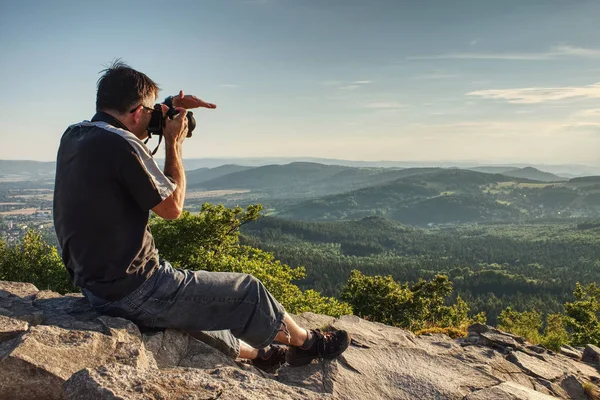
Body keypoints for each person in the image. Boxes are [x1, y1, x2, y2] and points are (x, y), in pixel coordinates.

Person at [52, 60, 350, 372]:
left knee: (199, 305)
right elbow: (172, 209)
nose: (155, 116)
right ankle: (308, 344)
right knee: (247, 290)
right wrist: (173, 142)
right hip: (134, 287)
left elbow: (123, 139)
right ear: (139, 112)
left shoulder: (75, 135)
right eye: (151, 110)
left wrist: (167, 106)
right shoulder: (121, 144)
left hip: (95, 287)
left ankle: (262, 355)